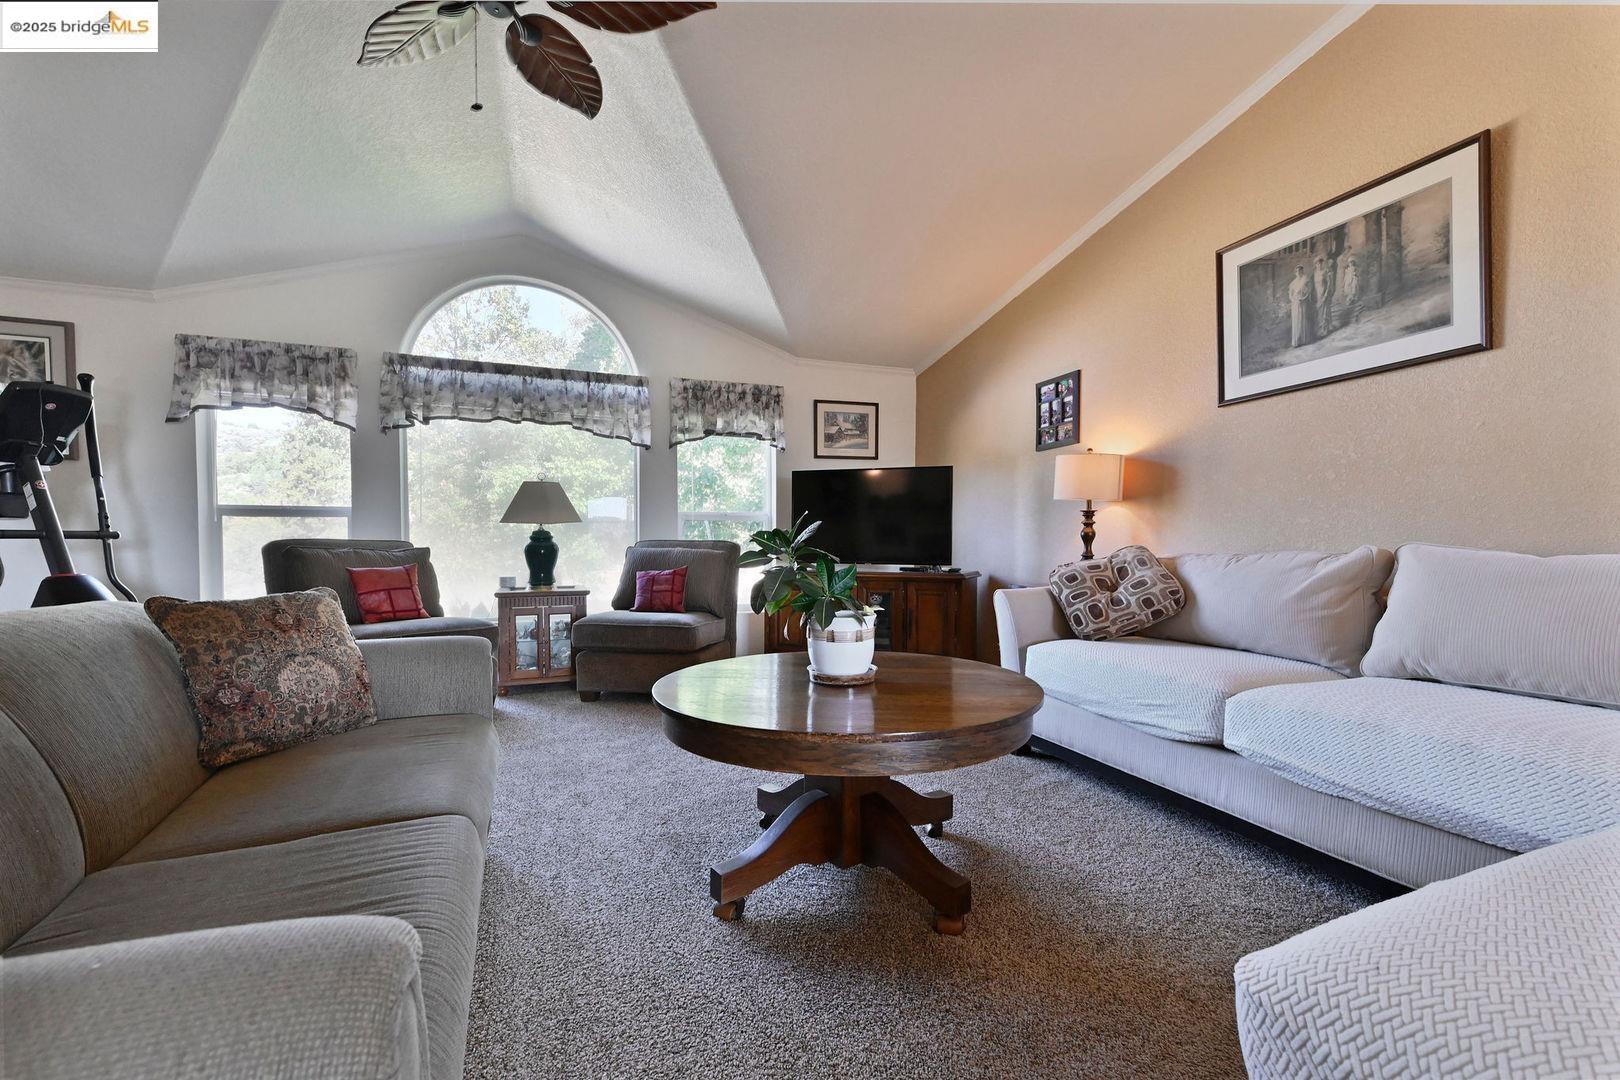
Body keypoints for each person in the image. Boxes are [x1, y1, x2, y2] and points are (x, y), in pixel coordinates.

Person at [1288, 265, 1314, 347]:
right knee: (1296, 321)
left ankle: (1304, 340)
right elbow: (1290, 294)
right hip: (1295, 303)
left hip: (1303, 302)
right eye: (1297, 271)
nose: (1299, 272)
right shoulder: (1293, 282)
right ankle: (1296, 341)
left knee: (1303, 319)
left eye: (1300, 271)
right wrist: (1293, 300)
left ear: (1302, 271)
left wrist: (1303, 299)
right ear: (1295, 273)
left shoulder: (1306, 280)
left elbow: (1309, 291)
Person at [1314, 253, 1336, 338]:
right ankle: (1321, 328)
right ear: (1315, 265)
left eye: (1320, 263)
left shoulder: (1325, 272)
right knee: (1320, 311)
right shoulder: (1315, 273)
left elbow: (1329, 283)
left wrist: (1326, 293)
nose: (1319, 265)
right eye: (1317, 263)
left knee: (1325, 310)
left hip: (1324, 292)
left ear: (1322, 264)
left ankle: (1325, 329)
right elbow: (1315, 286)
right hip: (1318, 293)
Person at [1339, 250, 1362, 325]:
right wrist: (1344, 284)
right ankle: (1349, 304)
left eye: (1352, 262)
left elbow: (1356, 277)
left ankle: (1355, 314)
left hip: (1353, 283)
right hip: (1348, 284)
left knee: (1354, 294)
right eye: (1350, 263)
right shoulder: (1347, 270)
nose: (1351, 264)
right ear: (1348, 263)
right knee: (1348, 295)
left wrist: (1355, 277)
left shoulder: (1355, 269)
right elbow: (1346, 278)